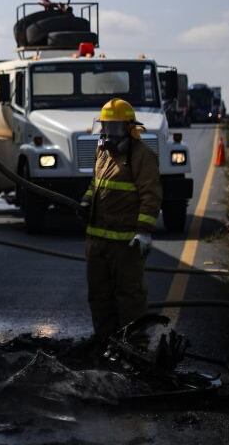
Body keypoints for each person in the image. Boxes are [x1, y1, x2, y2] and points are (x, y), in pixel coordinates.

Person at [77, 98, 162, 339]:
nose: (108, 134)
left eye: (114, 128)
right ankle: (106, 343)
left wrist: (144, 231)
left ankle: (133, 347)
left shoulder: (142, 156)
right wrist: (86, 201)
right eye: (106, 128)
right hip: (97, 241)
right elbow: (96, 183)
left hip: (125, 244)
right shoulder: (102, 153)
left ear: (129, 129)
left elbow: (151, 194)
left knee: (129, 297)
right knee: (99, 296)